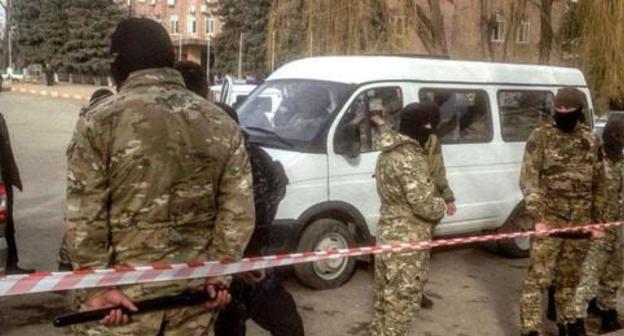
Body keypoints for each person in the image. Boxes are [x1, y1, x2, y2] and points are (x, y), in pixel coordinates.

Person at [63, 18, 255, 335]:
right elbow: (239, 211)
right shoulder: (220, 122)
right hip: (192, 301)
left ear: (119, 62)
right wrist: (217, 273)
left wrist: (97, 288)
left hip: (122, 303)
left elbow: (84, 218)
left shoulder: (99, 122)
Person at [175, 61, 305, 336]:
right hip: (232, 266)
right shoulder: (251, 159)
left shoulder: (248, 161)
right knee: (241, 323)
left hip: (244, 265)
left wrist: (248, 257)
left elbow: (260, 206)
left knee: (280, 321)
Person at [519, 88, 605, 336]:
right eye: (560, 110)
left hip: (579, 224)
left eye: (569, 110)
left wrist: (597, 221)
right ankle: (530, 330)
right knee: (537, 280)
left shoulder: (591, 140)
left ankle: (567, 324)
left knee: (569, 281)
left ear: (578, 111)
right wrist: (538, 218)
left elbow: (599, 183)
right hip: (548, 223)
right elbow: (529, 179)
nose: (563, 114)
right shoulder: (541, 136)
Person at [370, 103, 447, 336]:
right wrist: (442, 204)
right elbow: (423, 204)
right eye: (430, 127)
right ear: (423, 126)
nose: (431, 133)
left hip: (386, 234)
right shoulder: (409, 158)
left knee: (384, 303)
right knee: (401, 307)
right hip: (407, 243)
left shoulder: (388, 150)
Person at [574, 116, 624, 333]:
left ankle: (608, 313)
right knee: (587, 277)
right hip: (596, 231)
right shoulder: (594, 161)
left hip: (617, 232)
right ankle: (574, 321)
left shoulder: (620, 162)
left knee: (613, 275)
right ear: (613, 136)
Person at [58, 88, 116, 272]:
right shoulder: (95, 124)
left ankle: (65, 268)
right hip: (88, 187)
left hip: (81, 189)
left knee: (75, 228)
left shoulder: (86, 121)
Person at [0, 112, 34, 275]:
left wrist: (12, 177)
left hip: (4, 179)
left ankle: (11, 264)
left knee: (7, 226)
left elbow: (6, 150)